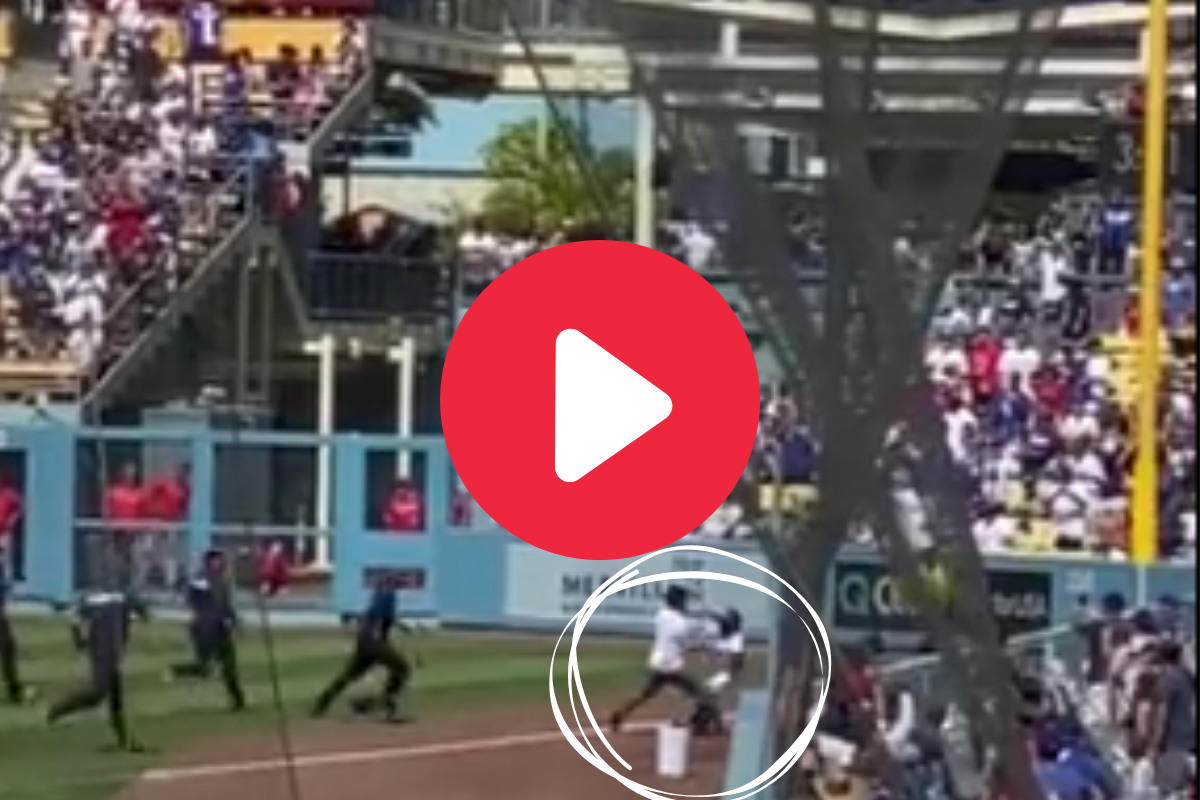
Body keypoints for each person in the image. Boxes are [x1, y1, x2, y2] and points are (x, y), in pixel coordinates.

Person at [46, 589, 149, 751]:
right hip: (105, 650)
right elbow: (134, 620)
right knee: (99, 693)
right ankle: (58, 709)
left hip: (106, 648)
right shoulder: (120, 603)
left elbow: (75, 616)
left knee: (115, 696)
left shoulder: (99, 601)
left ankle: (124, 740)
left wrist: (78, 638)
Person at [311, 574, 415, 723]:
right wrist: (386, 640)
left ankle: (321, 704)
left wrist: (398, 629)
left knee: (348, 675)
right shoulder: (389, 594)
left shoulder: (380, 593)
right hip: (373, 640)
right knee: (402, 668)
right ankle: (383, 706)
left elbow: (379, 618)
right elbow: (382, 621)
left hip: (364, 639)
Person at [609, 585, 711, 732]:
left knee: (644, 694)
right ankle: (700, 723)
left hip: (657, 663)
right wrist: (702, 646)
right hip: (671, 666)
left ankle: (619, 714)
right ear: (678, 602)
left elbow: (679, 622)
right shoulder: (680, 623)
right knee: (700, 692)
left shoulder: (662, 615)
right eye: (683, 600)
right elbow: (686, 644)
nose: (686, 603)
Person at [166, 550, 246, 711]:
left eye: (221, 560)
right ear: (209, 562)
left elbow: (225, 605)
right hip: (204, 629)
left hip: (221, 628)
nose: (221, 563)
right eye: (217, 560)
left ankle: (238, 701)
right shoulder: (200, 579)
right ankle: (176, 671)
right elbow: (191, 597)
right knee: (204, 668)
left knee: (229, 665)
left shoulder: (223, 580)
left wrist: (235, 620)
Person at [692, 606, 746, 735]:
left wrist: (727, 674)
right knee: (706, 696)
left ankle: (707, 723)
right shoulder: (720, 633)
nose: (722, 624)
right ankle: (712, 723)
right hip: (715, 672)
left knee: (706, 694)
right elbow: (716, 620)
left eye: (725, 622)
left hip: (727, 673)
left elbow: (737, 662)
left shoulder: (736, 639)